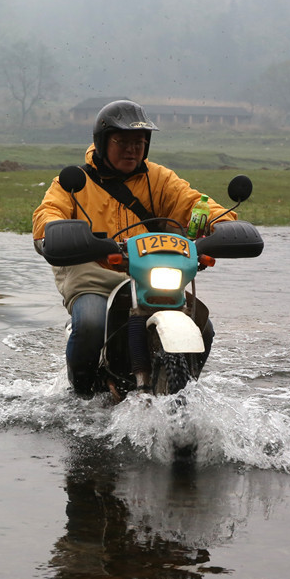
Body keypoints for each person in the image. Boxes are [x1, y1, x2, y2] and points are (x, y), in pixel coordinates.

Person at [31, 99, 236, 395]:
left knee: (204, 327)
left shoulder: (159, 179)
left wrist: (222, 224)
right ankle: (82, 394)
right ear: (102, 143)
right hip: (94, 277)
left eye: (139, 142)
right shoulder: (73, 182)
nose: (132, 149)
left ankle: (181, 390)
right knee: (90, 323)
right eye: (122, 141)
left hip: (149, 274)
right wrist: (54, 232)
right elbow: (48, 213)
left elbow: (192, 202)